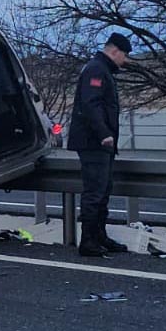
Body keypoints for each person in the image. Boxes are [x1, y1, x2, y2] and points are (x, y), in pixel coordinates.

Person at [68, 33, 133, 257]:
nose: (124, 62)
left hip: (100, 142)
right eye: (124, 56)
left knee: (103, 190)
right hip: (93, 141)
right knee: (95, 192)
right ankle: (88, 240)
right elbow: (91, 104)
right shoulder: (97, 70)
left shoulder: (100, 69)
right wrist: (104, 133)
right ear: (114, 51)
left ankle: (98, 236)